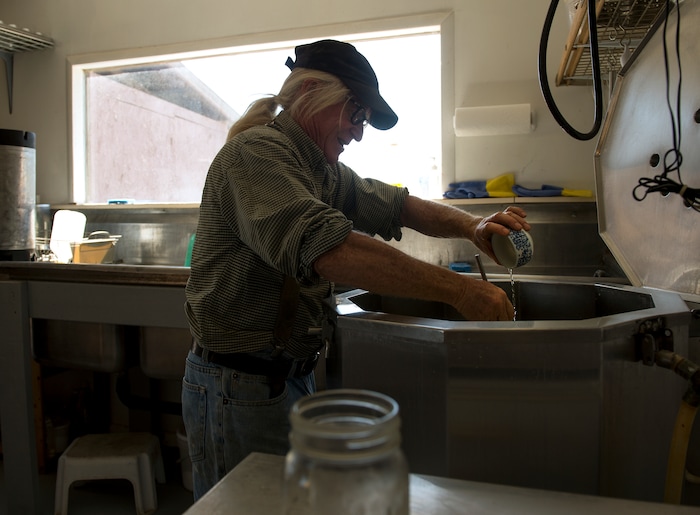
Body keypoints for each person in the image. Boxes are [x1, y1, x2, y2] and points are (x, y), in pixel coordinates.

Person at [182, 39, 530, 499]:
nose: (359, 133)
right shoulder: (257, 156)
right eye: (355, 115)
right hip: (239, 387)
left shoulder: (319, 169)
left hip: (284, 379)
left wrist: (473, 226)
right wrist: (460, 291)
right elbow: (329, 248)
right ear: (309, 92)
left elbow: (395, 204)